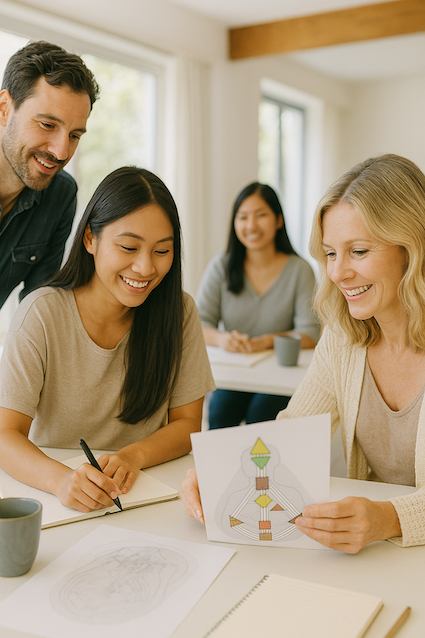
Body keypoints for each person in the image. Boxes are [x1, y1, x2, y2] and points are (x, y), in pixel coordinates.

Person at [181, 153, 425, 553]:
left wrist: (389, 518)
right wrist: (217, 471)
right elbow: (291, 431)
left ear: (412, 248)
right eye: (330, 253)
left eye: (358, 251)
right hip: (382, 553)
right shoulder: (344, 338)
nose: (337, 272)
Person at [0, 166, 215, 513]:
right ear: (90, 239)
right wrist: (61, 481)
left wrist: (135, 454)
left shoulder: (179, 311)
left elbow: (187, 424)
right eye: (129, 247)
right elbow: (4, 436)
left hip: (146, 495)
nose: (145, 268)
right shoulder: (41, 313)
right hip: (57, 500)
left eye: (162, 251)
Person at [196, 182, 320, 429]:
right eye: (242, 217)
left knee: (261, 415)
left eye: (261, 215)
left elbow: (310, 333)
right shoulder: (221, 266)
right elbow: (198, 323)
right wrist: (223, 339)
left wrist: (262, 342)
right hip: (237, 372)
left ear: (278, 220)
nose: (251, 225)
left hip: (279, 374)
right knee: (220, 412)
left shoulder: (299, 269)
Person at [0, 40, 99, 308]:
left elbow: (38, 305)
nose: (61, 151)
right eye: (47, 124)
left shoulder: (61, 194)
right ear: (5, 109)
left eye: (75, 135)